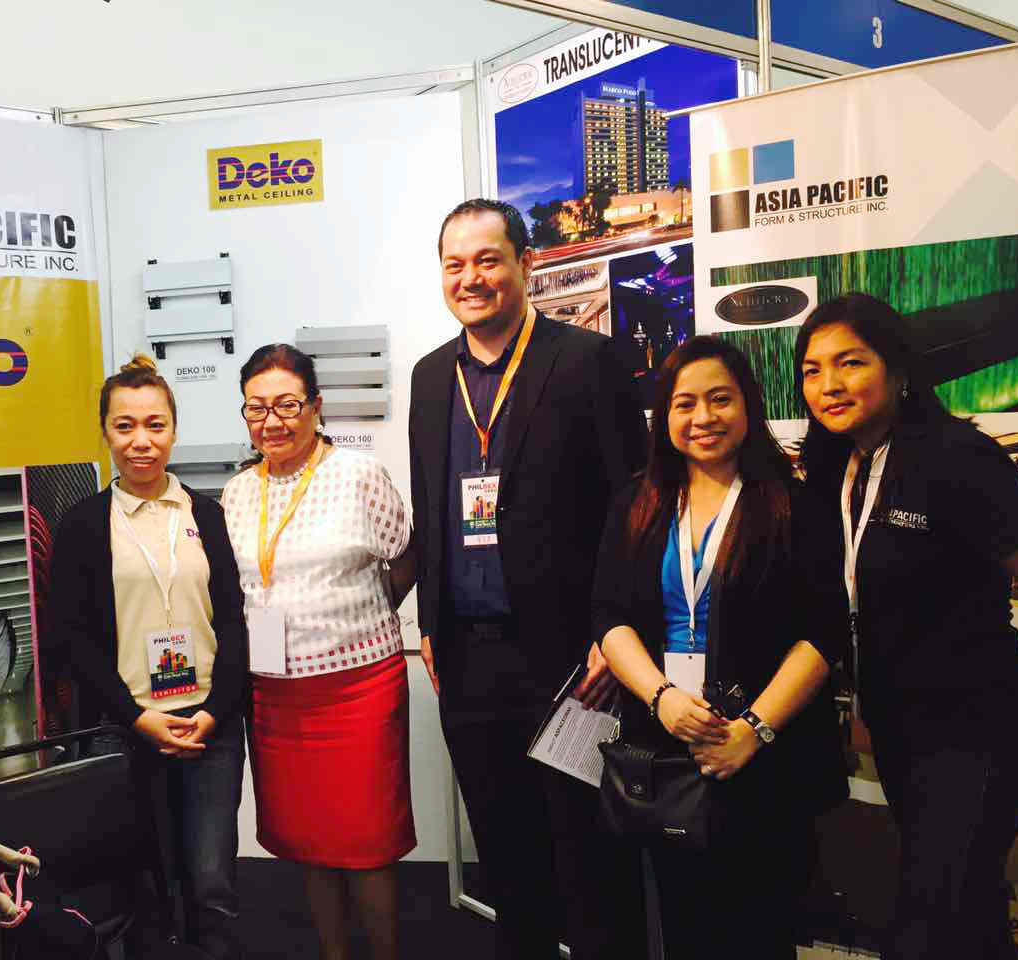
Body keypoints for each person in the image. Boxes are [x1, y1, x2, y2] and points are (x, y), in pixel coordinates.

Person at [408, 198, 649, 960]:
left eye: (488, 260)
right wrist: (429, 624)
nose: (470, 278)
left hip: (574, 662)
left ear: (525, 264)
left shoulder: (586, 361)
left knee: (592, 866)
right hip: (468, 661)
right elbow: (432, 508)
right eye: (455, 264)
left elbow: (634, 507)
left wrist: (616, 633)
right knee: (509, 865)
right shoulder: (429, 378)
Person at [795, 293, 1018, 960]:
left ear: (899, 370)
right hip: (898, 731)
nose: (829, 384)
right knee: (972, 917)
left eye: (851, 362)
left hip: (974, 730)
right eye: (813, 370)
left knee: (929, 925)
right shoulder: (834, 466)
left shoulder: (958, 455)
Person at [592, 336, 848, 960]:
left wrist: (753, 730)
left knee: (762, 930)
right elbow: (609, 616)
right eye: (685, 404)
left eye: (720, 399)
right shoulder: (638, 502)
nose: (703, 417)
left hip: (765, 754)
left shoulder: (793, 503)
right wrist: (661, 697)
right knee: (684, 925)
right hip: (666, 749)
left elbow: (823, 631)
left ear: (748, 406)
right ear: (665, 415)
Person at [219, 344, 416, 960]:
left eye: (287, 405)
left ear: (316, 406)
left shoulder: (358, 474)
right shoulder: (236, 492)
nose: (272, 421)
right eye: (256, 408)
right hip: (276, 695)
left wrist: (361, 614)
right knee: (309, 838)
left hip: (359, 688)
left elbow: (406, 554)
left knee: (368, 840)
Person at [49, 354, 248, 960]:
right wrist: (136, 717)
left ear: (174, 430)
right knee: (140, 884)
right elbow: (72, 637)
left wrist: (214, 712)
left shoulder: (206, 514)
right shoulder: (83, 524)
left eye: (155, 425)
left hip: (209, 724)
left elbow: (233, 621)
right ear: (105, 432)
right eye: (125, 425)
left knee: (211, 880)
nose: (142, 441)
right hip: (124, 726)